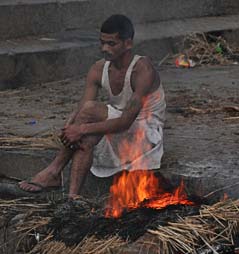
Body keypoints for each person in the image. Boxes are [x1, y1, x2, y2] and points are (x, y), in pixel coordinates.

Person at [19, 14, 166, 199]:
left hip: (145, 134)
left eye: (111, 44)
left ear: (128, 43)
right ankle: (73, 197)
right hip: (118, 128)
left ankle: (54, 170)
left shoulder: (143, 69)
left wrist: (80, 128)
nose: (104, 48)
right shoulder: (98, 69)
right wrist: (70, 126)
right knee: (86, 135)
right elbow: (82, 110)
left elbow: (126, 121)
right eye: (102, 42)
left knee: (88, 117)